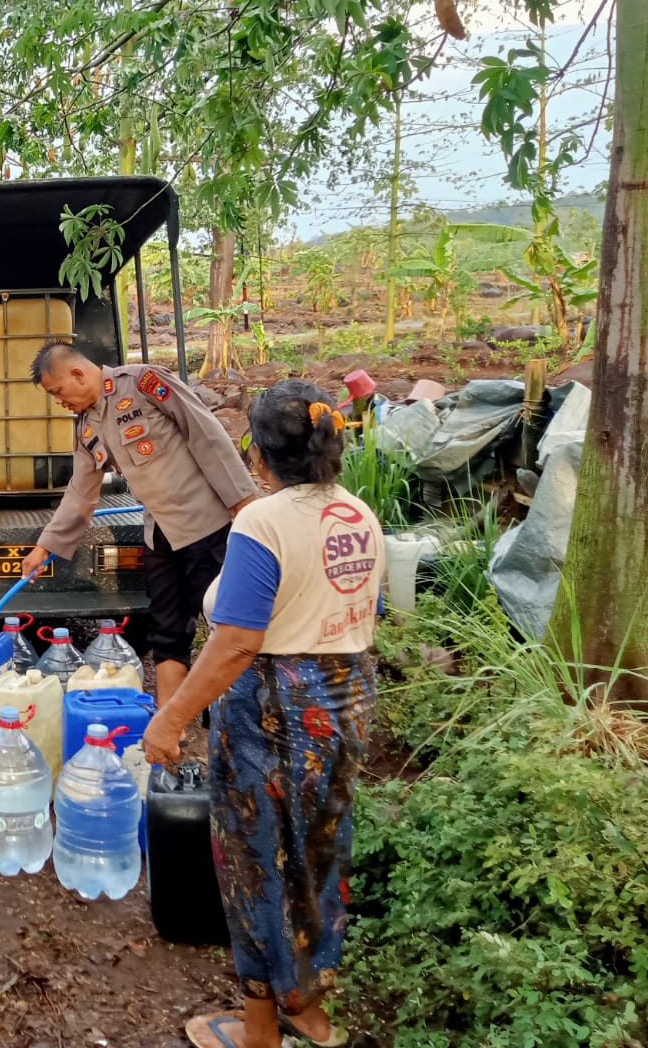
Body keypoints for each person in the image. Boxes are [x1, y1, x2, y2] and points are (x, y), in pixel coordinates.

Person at [142, 381, 384, 1048]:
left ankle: (258, 1034)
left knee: (255, 864)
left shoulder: (263, 522)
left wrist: (170, 719)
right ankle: (307, 1008)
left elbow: (238, 643)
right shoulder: (358, 513)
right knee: (319, 854)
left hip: (274, 710)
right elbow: (358, 608)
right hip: (346, 699)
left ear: (258, 454)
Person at [21, 343, 258, 709]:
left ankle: (234, 714)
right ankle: (168, 722)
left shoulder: (144, 383)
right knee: (166, 631)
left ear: (78, 374)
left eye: (58, 391)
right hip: (160, 535)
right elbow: (81, 493)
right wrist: (44, 546)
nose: (59, 401)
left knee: (225, 625)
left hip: (208, 526)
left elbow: (205, 433)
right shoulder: (86, 426)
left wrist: (243, 504)